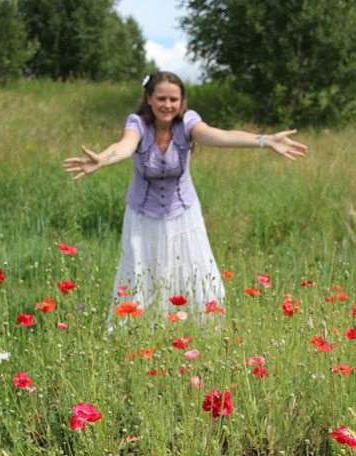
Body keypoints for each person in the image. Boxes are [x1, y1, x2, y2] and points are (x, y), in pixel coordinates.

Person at [64, 71, 307, 320]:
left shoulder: (188, 123)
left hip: (184, 216)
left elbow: (219, 136)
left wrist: (264, 140)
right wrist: (102, 159)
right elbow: (125, 146)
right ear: (148, 98)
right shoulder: (137, 124)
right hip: (141, 217)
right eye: (161, 98)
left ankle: (192, 327)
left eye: (173, 99)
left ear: (181, 101)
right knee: (141, 271)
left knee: (192, 271)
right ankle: (140, 330)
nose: (167, 105)